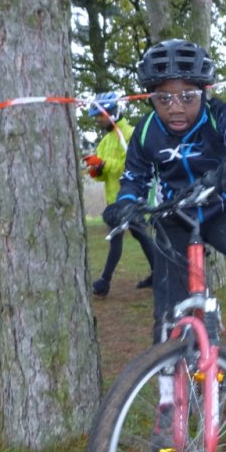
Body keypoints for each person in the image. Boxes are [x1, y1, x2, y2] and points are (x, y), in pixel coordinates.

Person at [104, 39, 226, 353]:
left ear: (204, 92)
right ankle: (169, 397)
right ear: (150, 98)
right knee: (168, 314)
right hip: (174, 218)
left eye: (187, 96)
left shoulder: (217, 114)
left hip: (219, 207)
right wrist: (123, 205)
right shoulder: (145, 131)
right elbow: (133, 178)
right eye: (163, 98)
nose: (175, 107)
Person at [84, 91, 156, 297]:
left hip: (131, 197)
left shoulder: (131, 134)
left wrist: (104, 164)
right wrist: (95, 169)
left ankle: (105, 282)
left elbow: (131, 166)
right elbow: (103, 176)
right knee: (139, 236)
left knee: (133, 236)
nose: (98, 121)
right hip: (114, 200)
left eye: (100, 116)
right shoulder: (105, 142)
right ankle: (158, 274)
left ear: (113, 113)